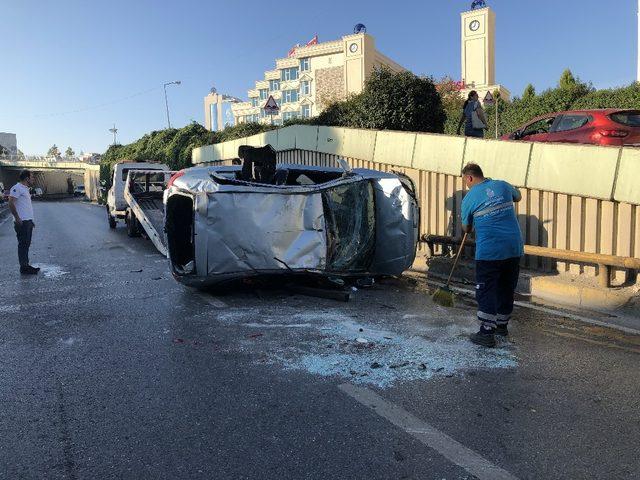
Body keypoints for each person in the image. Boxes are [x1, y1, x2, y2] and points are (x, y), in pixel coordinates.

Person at [460, 163, 523, 347]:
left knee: (486, 289)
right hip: (513, 247)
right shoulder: (502, 185)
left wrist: (471, 223)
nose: (466, 184)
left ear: (469, 178)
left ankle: (487, 332)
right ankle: (502, 326)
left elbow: (466, 228)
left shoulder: (469, 198)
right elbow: (517, 196)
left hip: (490, 251)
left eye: (465, 181)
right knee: (506, 286)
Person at [8, 170, 40, 275]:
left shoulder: (25, 189)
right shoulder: (17, 188)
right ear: (27, 178)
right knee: (23, 244)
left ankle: (26, 265)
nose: (33, 179)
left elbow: (25, 206)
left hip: (28, 221)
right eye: (32, 177)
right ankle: (24, 267)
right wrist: (17, 218)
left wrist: (31, 221)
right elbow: (10, 202)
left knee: (26, 244)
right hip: (22, 222)